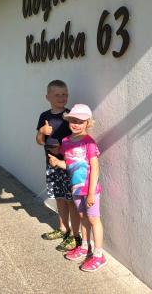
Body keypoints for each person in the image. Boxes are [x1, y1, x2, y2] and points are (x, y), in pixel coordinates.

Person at [48, 104, 106, 272]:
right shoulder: (66, 142)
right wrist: (57, 162)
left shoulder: (89, 143)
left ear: (87, 123)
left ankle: (98, 255)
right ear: (69, 121)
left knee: (94, 220)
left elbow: (95, 168)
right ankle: (85, 247)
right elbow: (70, 164)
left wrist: (90, 194)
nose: (76, 124)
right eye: (73, 120)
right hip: (76, 189)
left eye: (80, 121)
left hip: (90, 191)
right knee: (83, 219)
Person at [36, 80, 81, 251]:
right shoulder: (44, 117)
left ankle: (75, 236)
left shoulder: (70, 117)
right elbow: (39, 142)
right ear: (47, 97)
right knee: (60, 198)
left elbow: (78, 141)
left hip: (67, 166)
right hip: (51, 166)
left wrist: (62, 150)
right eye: (57, 95)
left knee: (71, 200)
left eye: (65, 94)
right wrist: (42, 132)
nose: (62, 98)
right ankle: (63, 228)